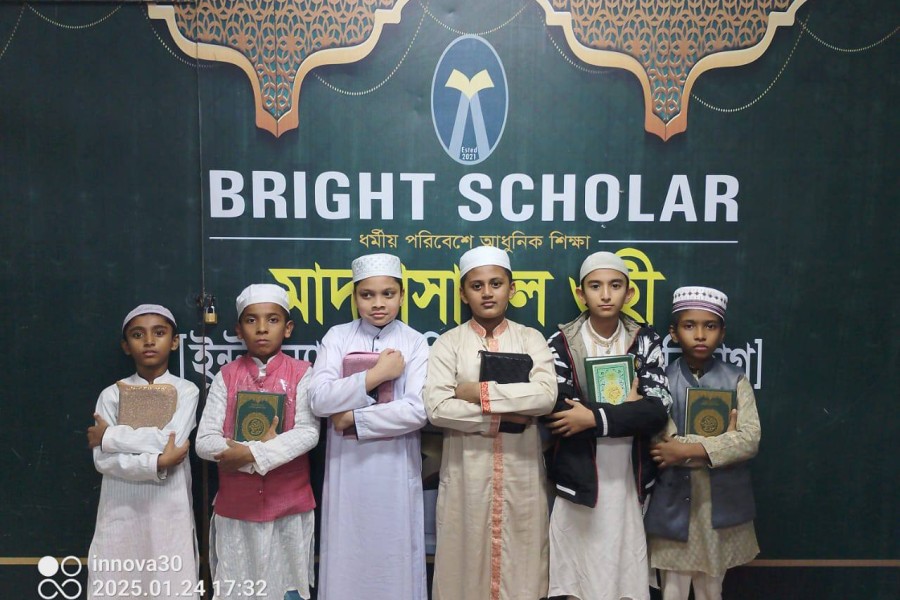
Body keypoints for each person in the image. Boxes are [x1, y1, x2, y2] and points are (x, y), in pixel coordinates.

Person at [424, 245, 557, 600]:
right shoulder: (449, 344)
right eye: (477, 285)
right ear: (463, 294)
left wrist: (477, 392)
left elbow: (545, 397)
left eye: (496, 284)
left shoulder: (530, 339)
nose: (487, 293)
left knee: (523, 569)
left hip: (522, 475)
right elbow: (438, 408)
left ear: (511, 289)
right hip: (467, 476)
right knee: (463, 569)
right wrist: (504, 416)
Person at [545, 251, 672, 600]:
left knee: (624, 575)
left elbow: (657, 409)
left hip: (629, 474)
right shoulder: (560, 342)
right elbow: (557, 410)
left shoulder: (646, 340)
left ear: (629, 293)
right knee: (576, 578)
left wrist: (591, 417)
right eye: (595, 286)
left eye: (615, 286)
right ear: (580, 293)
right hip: (579, 474)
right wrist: (627, 410)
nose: (605, 295)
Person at [308, 252, 429, 600]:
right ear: (355, 297)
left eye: (388, 294)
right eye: (367, 295)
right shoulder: (337, 337)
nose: (378, 303)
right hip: (347, 471)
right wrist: (375, 376)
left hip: (395, 471)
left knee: (395, 561)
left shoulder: (415, 341)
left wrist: (352, 419)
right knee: (347, 556)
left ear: (402, 296)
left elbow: (417, 411)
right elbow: (318, 400)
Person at [195, 284, 319, 600]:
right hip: (236, 509)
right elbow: (204, 442)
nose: (262, 328)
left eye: (272, 320)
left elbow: (308, 433)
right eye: (251, 320)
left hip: (288, 508)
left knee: (287, 589)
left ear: (287, 328)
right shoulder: (226, 376)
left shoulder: (303, 373)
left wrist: (251, 453)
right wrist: (254, 454)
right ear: (239, 330)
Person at [644, 286, 761, 600]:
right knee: (673, 589)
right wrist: (722, 444)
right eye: (689, 326)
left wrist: (686, 450)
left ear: (722, 333)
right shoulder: (660, 380)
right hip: (673, 504)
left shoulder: (736, 379)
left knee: (712, 589)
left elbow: (749, 440)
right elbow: (663, 444)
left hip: (719, 504)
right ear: (674, 333)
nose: (699, 335)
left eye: (709, 326)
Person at [86, 304, 200, 600]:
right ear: (126, 346)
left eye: (159, 333)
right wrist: (157, 463)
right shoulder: (111, 394)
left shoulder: (186, 391)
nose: (149, 341)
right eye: (138, 335)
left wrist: (109, 436)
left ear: (174, 341)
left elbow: (170, 439)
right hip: (119, 510)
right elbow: (103, 460)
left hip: (169, 508)